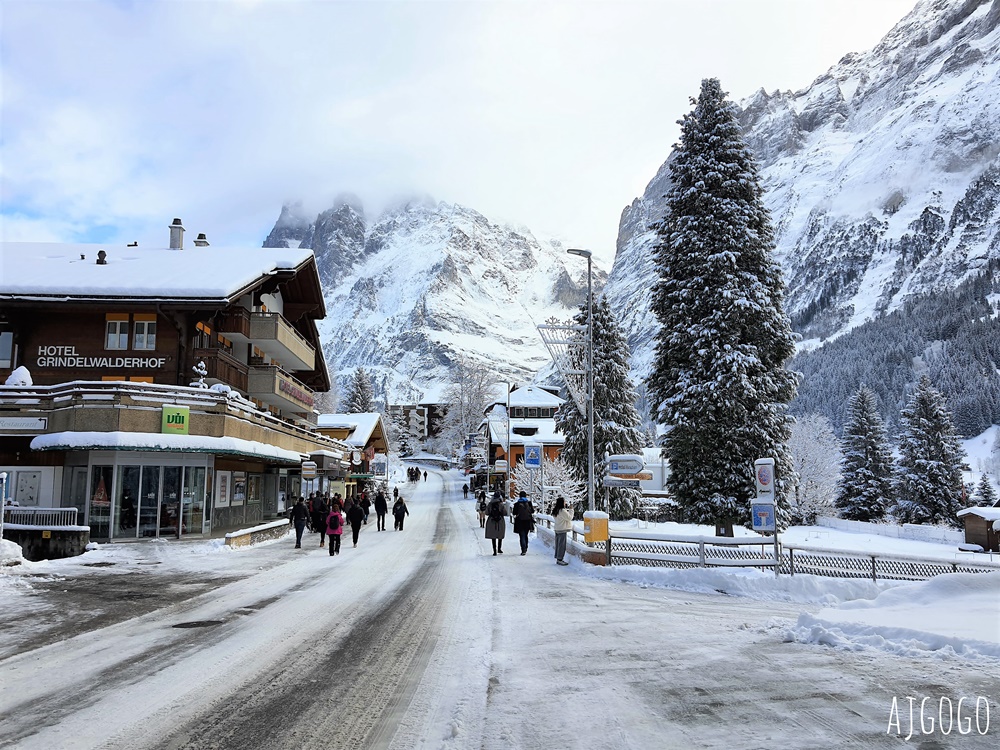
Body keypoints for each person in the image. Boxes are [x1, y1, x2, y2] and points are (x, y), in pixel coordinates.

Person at [485, 491, 509, 555]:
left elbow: (487, 512)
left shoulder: (490, 504)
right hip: (500, 521)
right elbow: (505, 513)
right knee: (500, 535)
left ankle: (494, 550)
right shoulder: (501, 504)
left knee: (493, 536)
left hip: (492, 521)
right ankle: (499, 548)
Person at [512, 490, 535, 556]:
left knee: (522, 535)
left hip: (520, 521)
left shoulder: (517, 504)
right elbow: (532, 511)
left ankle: (523, 549)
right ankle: (526, 546)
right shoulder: (529, 503)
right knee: (526, 535)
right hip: (528, 521)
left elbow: (514, 513)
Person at [553, 496, 574, 566]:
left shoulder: (556, 510)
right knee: (562, 545)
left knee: (558, 544)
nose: (565, 503)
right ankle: (560, 559)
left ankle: (558, 557)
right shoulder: (562, 511)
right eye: (564, 501)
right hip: (562, 529)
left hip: (557, 529)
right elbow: (569, 518)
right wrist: (571, 510)